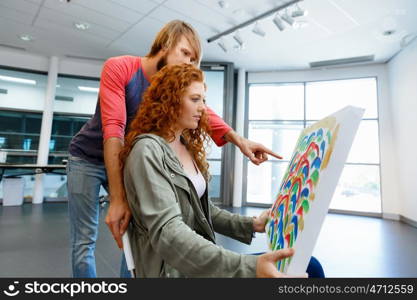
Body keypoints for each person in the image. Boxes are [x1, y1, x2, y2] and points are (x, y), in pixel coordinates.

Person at [67, 20, 283, 278]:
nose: (189, 64)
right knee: (84, 241)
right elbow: (114, 130)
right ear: (166, 44)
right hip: (89, 158)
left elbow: (202, 108)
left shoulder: (173, 94)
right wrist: (118, 198)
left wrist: (240, 140)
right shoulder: (121, 67)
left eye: (194, 60)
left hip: (128, 158)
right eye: (185, 54)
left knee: (138, 234)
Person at [120, 63, 321, 278]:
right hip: (173, 271)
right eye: (195, 99)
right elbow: (170, 234)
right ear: (169, 99)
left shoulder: (184, 144)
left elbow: (206, 211)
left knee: (310, 265)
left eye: (204, 100)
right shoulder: (147, 151)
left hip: (197, 261)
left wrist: (253, 224)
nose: (203, 108)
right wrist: (251, 268)